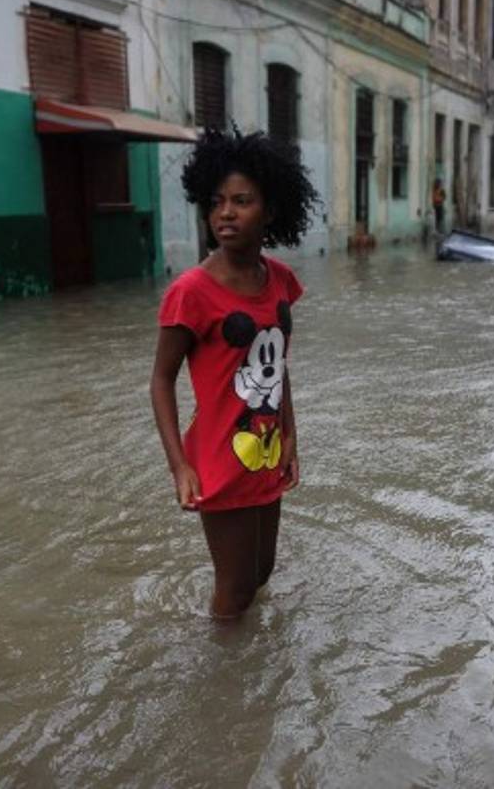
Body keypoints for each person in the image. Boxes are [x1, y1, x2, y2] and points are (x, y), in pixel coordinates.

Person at [150, 127, 319, 621]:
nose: (226, 213)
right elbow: (161, 380)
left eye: (242, 201)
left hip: (266, 449)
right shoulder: (191, 292)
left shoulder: (280, 280)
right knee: (236, 588)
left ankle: (247, 676)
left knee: (262, 573)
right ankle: (220, 682)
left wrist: (291, 436)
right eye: (218, 201)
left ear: (269, 210)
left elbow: (275, 365)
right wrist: (180, 466)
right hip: (221, 461)